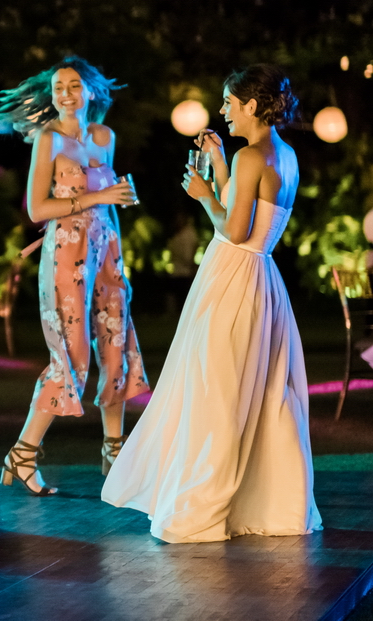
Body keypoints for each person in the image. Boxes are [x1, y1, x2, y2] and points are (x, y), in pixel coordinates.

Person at [102, 64, 322, 543]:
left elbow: (235, 230)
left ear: (250, 104)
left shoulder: (252, 156)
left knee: (217, 389)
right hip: (262, 280)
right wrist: (221, 167)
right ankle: (264, 502)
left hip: (233, 279)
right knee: (255, 391)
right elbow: (250, 210)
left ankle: (204, 505)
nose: (223, 111)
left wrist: (203, 196)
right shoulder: (282, 155)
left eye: (228, 102)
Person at [0, 56, 148, 496]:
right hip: (66, 254)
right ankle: (22, 454)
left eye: (74, 85)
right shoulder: (48, 139)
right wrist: (99, 195)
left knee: (116, 341)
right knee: (71, 353)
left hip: (106, 251)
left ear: (90, 91)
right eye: (59, 87)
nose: (66, 94)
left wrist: (117, 251)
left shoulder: (104, 137)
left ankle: (114, 450)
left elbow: (109, 204)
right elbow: (37, 209)